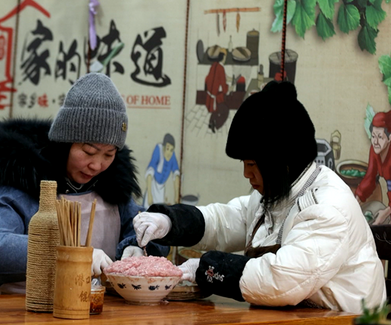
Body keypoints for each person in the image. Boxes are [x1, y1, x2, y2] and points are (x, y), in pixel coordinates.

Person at [133, 81, 386, 313]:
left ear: (281, 163)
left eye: (252, 164)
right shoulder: (276, 193)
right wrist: (170, 222)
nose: (246, 174)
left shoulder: (329, 207)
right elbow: (227, 221)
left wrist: (205, 268)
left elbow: (280, 279)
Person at [0, 73, 168, 293]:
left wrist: (138, 247)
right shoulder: (25, 185)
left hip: (100, 310)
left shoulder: (112, 189)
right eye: (88, 151)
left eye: (109, 154)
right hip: (27, 311)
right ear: (65, 144)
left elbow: (147, 231)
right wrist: (71, 255)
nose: (97, 165)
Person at [355, 111, 391, 219]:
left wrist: (385, 213)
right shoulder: (375, 150)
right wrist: (355, 203)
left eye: (380, 137)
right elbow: (370, 178)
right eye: (373, 136)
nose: (375, 141)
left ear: (389, 138)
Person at [144, 133, 181, 206]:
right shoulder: (158, 150)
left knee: (159, 213)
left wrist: (177, 196)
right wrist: (149, 195)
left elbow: (176, 174)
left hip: (161, 190)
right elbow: (150, 172)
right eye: (167, 149)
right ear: (164, 147)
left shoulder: (172, 155)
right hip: (153, 186)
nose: (169, 153)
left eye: (171, 150)